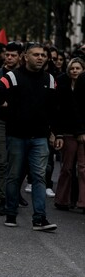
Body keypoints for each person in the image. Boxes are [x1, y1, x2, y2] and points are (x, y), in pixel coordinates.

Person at [0, 42, 60, 231]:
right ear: (26, 57)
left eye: (43, 55)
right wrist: (10, 113)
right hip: (16, 136)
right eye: (36, 54)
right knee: (13, 176)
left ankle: (39, 218)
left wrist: (55, 132)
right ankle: (11, 213)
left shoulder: (51, 80)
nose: (40, 58)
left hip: (40, 137)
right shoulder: (12, 77)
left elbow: (55, 109)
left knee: (39, 177)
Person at [0, 41, 23, 216]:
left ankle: (13, 195)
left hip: (19, 123)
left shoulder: (25, 76)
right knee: (1, 160)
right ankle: (3, 199)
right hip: (0, 122)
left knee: (17, 163)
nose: (9, 58)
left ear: (20, 57)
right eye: (7, 54)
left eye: (13, 55)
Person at [55, 58, 85, 211]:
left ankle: (82, 202)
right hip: (67, 131)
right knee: (67, 167)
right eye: (72, 68)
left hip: (82, 132)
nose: (74, 71)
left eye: (78, 68)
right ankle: (62, 200)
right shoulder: (63, 85)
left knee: (83, 168)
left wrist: (82, 131)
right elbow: (59, 111)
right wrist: (58, 133)